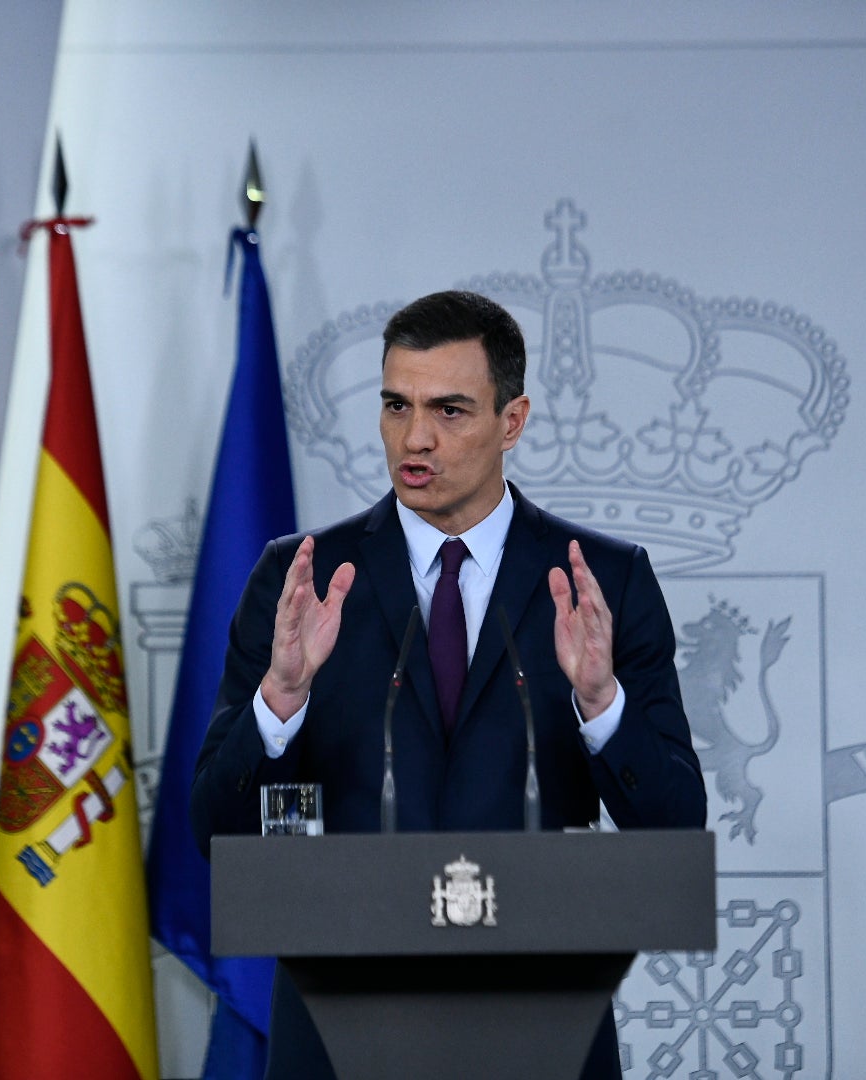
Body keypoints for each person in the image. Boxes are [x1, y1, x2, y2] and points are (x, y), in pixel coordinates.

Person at [190, 289, 706, 1079]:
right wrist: (279, 703)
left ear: (514, 420)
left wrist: (602, 706)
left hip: (542, 1029)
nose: (415, 437)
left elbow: (675, 824)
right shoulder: (303, 580)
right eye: (396, 405)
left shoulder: (601, 581)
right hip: (339, 1032)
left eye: (451, 410)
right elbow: (215, 831)